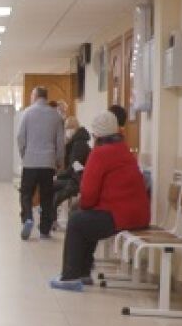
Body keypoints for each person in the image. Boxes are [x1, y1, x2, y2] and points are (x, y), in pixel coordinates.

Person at [50, 110, 150, 291]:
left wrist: (83, 206)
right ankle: (83, 273)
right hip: (139, 215)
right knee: (86, 218)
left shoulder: (100, 153)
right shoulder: (124, 150)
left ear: (96, 134)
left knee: (77, 220)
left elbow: (88, 195)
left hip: (119, 216)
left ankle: (71, 276)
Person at [18, 86, 66, 240]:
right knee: (46, 196)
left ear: (35, 96)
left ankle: (28, 218)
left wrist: (24, 154)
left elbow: (20, 137)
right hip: (48, 162)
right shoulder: (56, 116)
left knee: (26, 194)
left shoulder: (27, 113)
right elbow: (60, 142)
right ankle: (45, 230)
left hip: (30, 161)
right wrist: (59, 161)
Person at [52, 116, 91, 220]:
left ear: (75, 128)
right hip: (76, 178)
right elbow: (74, 166)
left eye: (70, 128)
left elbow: (73, 167)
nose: (68, 131)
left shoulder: (79, 145)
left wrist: (58, 176)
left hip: (77, 180)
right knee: (52, 188)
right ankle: (51, 218)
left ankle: (50, 220)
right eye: (66, 128)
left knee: (52, 190)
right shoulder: (77, 142)